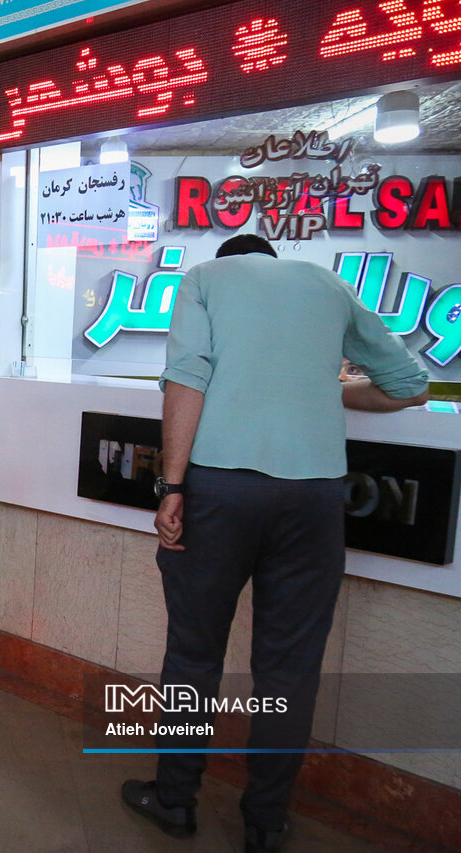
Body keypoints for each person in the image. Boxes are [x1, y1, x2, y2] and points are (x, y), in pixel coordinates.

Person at [120, 234, 430, 853]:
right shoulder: (329, 284)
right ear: (271, 258)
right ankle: (265, 822)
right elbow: (410, 386)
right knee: (289, 669)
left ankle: (175, 800)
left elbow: (187, 378)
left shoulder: (204, 279)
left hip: (220, 490)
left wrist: (172, 486)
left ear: (232, 259)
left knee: (193, 655)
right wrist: (322, 390)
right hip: (314, 497)